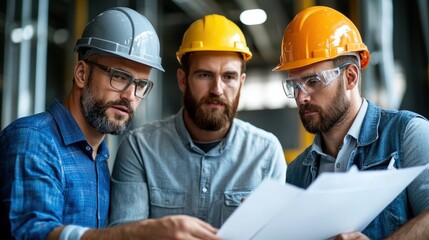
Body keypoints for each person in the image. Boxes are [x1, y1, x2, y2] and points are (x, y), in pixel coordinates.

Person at [0, 6, 196, 240]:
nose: (130, 95)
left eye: (141, 84)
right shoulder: (33, 139)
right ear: (82, 74)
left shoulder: (99, 157)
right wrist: (134, 233)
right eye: (120, 77)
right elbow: (31, 232)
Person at [109, 13, 287, 237]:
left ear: (241, 82)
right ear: (183, 80)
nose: (217, 90)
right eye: (204, 75)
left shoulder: (266, 153)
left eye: (229, 77)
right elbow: (124, 235)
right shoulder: (140, 148)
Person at [272, 6, 429, 240]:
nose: (301, 97)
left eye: (313, 80)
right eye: (294, 85)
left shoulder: (407, 135)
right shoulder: (296, 173)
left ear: (350, 77)